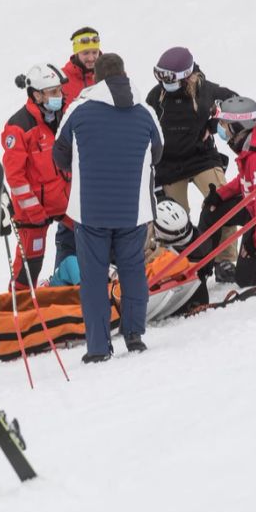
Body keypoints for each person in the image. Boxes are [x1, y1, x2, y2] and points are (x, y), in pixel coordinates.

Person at [53, 53, 163, 363]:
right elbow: (157, 153)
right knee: (132, 271)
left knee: (93, 277)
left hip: (91, 212)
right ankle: (134, 335)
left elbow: (59, 155)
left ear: (97, 78)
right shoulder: (145, 111)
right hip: (134, 209)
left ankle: (99, 347)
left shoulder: (78, 110)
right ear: (124, 74)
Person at [146, 47, 240, 283]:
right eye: (160, 76)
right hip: (168, 164)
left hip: (201, 158)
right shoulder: (155, 96)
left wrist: (214, 123)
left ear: (186, 76)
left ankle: (225, 260)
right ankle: (173, 263)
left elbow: (235, 103)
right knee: (172, 217)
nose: (163, 83)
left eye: (169, 78)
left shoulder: (206, 91)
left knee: (222, 200)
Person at [198, 96, 256, 288]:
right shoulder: (252, 144)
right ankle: (202, 266)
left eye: (224, 124)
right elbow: (245, 181)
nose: (221, 129)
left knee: (245, 278)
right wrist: (220, 195)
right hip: (255, 209)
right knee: (212, 211)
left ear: (237, 126)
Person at [2, 64, 72, 289]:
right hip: (34, 213)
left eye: (59, 91)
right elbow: (16, 178)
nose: (59, 97)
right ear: (37, 95)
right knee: (29, 267)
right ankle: (19, 305)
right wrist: (34, 212)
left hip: (65, 203)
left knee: (96, 241)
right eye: (53, 92)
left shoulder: (64, 117)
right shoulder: (19, 127)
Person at [61, 27, 101, 109]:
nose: (91, 58)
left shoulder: (108, 73)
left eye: (95, 52)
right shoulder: (62, 77)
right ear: (76, 54)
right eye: (85, 53)